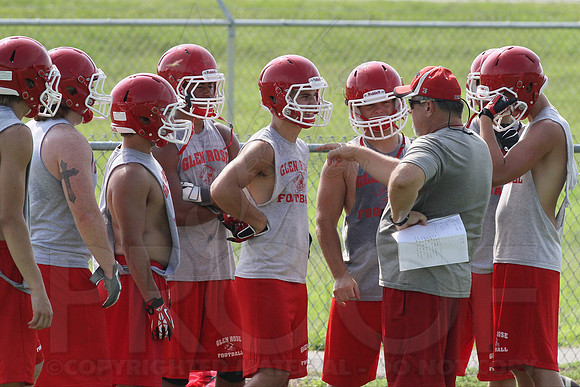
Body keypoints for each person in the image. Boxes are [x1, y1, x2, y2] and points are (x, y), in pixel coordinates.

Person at [325, 65, 492, 387]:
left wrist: (400, 217)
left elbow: (403, 180)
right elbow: (406, 170)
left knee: (410, 379)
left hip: (416, 285)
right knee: (436, 379)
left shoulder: (430, 144)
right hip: (450, 279)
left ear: (428, 107)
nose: (411, 113)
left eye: (413, 104)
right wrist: (360, 153)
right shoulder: (474, 143)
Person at [211, 54, 332, 387]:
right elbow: (221, 187)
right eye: (304, 96)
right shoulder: (265, 147)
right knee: (271, 373)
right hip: (264, 275)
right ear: (278, 98)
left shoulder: (300, 146)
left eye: (314, 95)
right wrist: (256, 220)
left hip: (290, 274)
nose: (313, 103)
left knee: (282, 374)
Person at [478, 46, 578, 387]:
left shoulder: (548, 127)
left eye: (498, 96)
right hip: (513, 255)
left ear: (522, 91)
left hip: (531, 257)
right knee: (518, 363)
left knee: (537, 365)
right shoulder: (533, 125)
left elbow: (497, 171)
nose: (494, 104)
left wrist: (485, 122)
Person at [27, 46, 121, 387]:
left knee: (42, 373)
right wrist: (109, 267)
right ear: (69, 89)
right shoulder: (67, 139)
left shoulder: (31, 131)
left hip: (33, 263)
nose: (94, 94)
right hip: (61, 270)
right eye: (89, 85)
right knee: (82, 377)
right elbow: (85, 213)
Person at [153, 43, 244, 387]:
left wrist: (207, 200)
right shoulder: (165, 140)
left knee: (234, 370)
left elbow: (247, 194)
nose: (210, 93)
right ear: (177, 88)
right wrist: (224, 203)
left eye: (212, 85)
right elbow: (176, 211)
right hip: (180, 272)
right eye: (200, 86)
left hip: (219, 269)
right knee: (173, 376)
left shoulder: (222, 134)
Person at [316, 61, 411, 387]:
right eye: (369, 105)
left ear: (399, 103)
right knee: (344, 380)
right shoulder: (345, 160)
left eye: (385, 101)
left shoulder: (418, 152)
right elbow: (324, 221)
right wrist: (340, 275)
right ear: (356, 110)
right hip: (360, 286)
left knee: (413, 378)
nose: (379, 111)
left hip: (409, 287)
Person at [99, 73, 192, 387]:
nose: (173, 120)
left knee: (146, 377)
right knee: (131, 379)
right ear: (142, 118)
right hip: (135, 285)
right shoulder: (131, 172)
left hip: (146, 281)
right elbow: (130, 243)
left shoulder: (144, 159)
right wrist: (153, 300)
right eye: (165, 113)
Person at [455, 49, 517, 387]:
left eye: (495, 87)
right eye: (481, 84)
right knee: (440, 361)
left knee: (501, 368)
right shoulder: (456, 134)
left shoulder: (528, 138)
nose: (486, 94)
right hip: (452, 265)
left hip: (495, 266)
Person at [0, 35, 54, 387]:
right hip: (4, 260)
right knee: (15, 376)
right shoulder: (15, 132)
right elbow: (8, 216)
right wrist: (37, 286)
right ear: (27, 81)